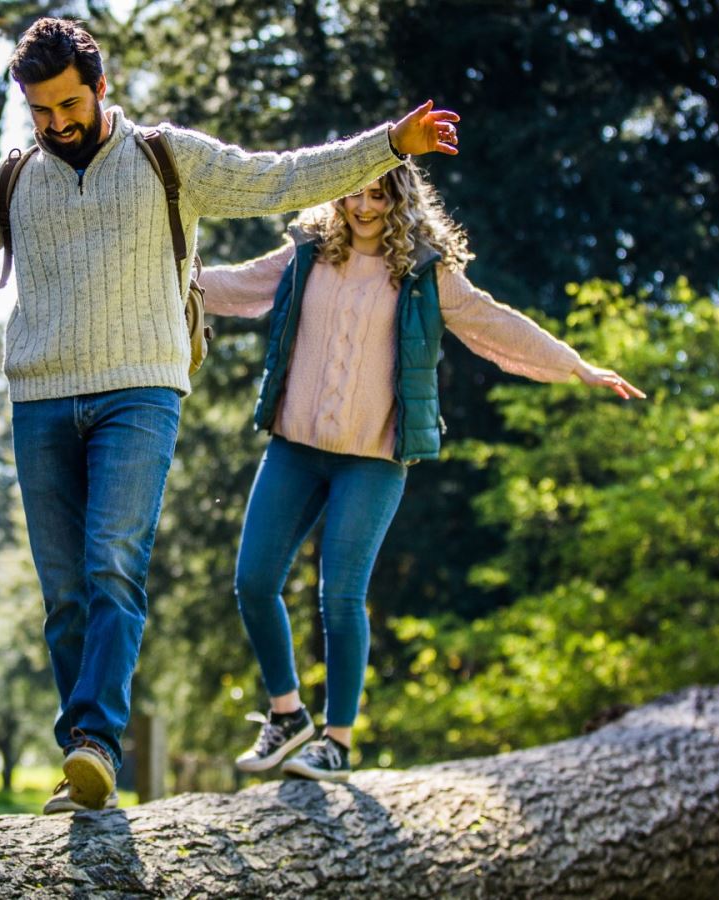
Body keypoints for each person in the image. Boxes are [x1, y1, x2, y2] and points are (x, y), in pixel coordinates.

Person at [0, 17, 461, 813]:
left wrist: (389, 145)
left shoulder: (166, 159)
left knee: (113, 562)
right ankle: (86, 772)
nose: (56, 124)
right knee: (65, 596)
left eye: (68, 105)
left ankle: (93, 745)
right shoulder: (14, 182)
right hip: (39, 398)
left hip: (140, 391)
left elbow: (280, 178)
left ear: (100, 88)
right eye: (40, 111)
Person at [201, 159, 645, 782]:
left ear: (399, 199)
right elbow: (233, 287)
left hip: (376, 458)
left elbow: (497, 324)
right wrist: (168, 273)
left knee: (341, 596)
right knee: (252, 581)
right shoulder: (305, 254)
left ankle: (338, 741)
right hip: (295, 447)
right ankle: (287, 713)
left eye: (378, 194)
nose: (362, 206)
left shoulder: (424, 273)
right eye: (354, 192)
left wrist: (575, 365)